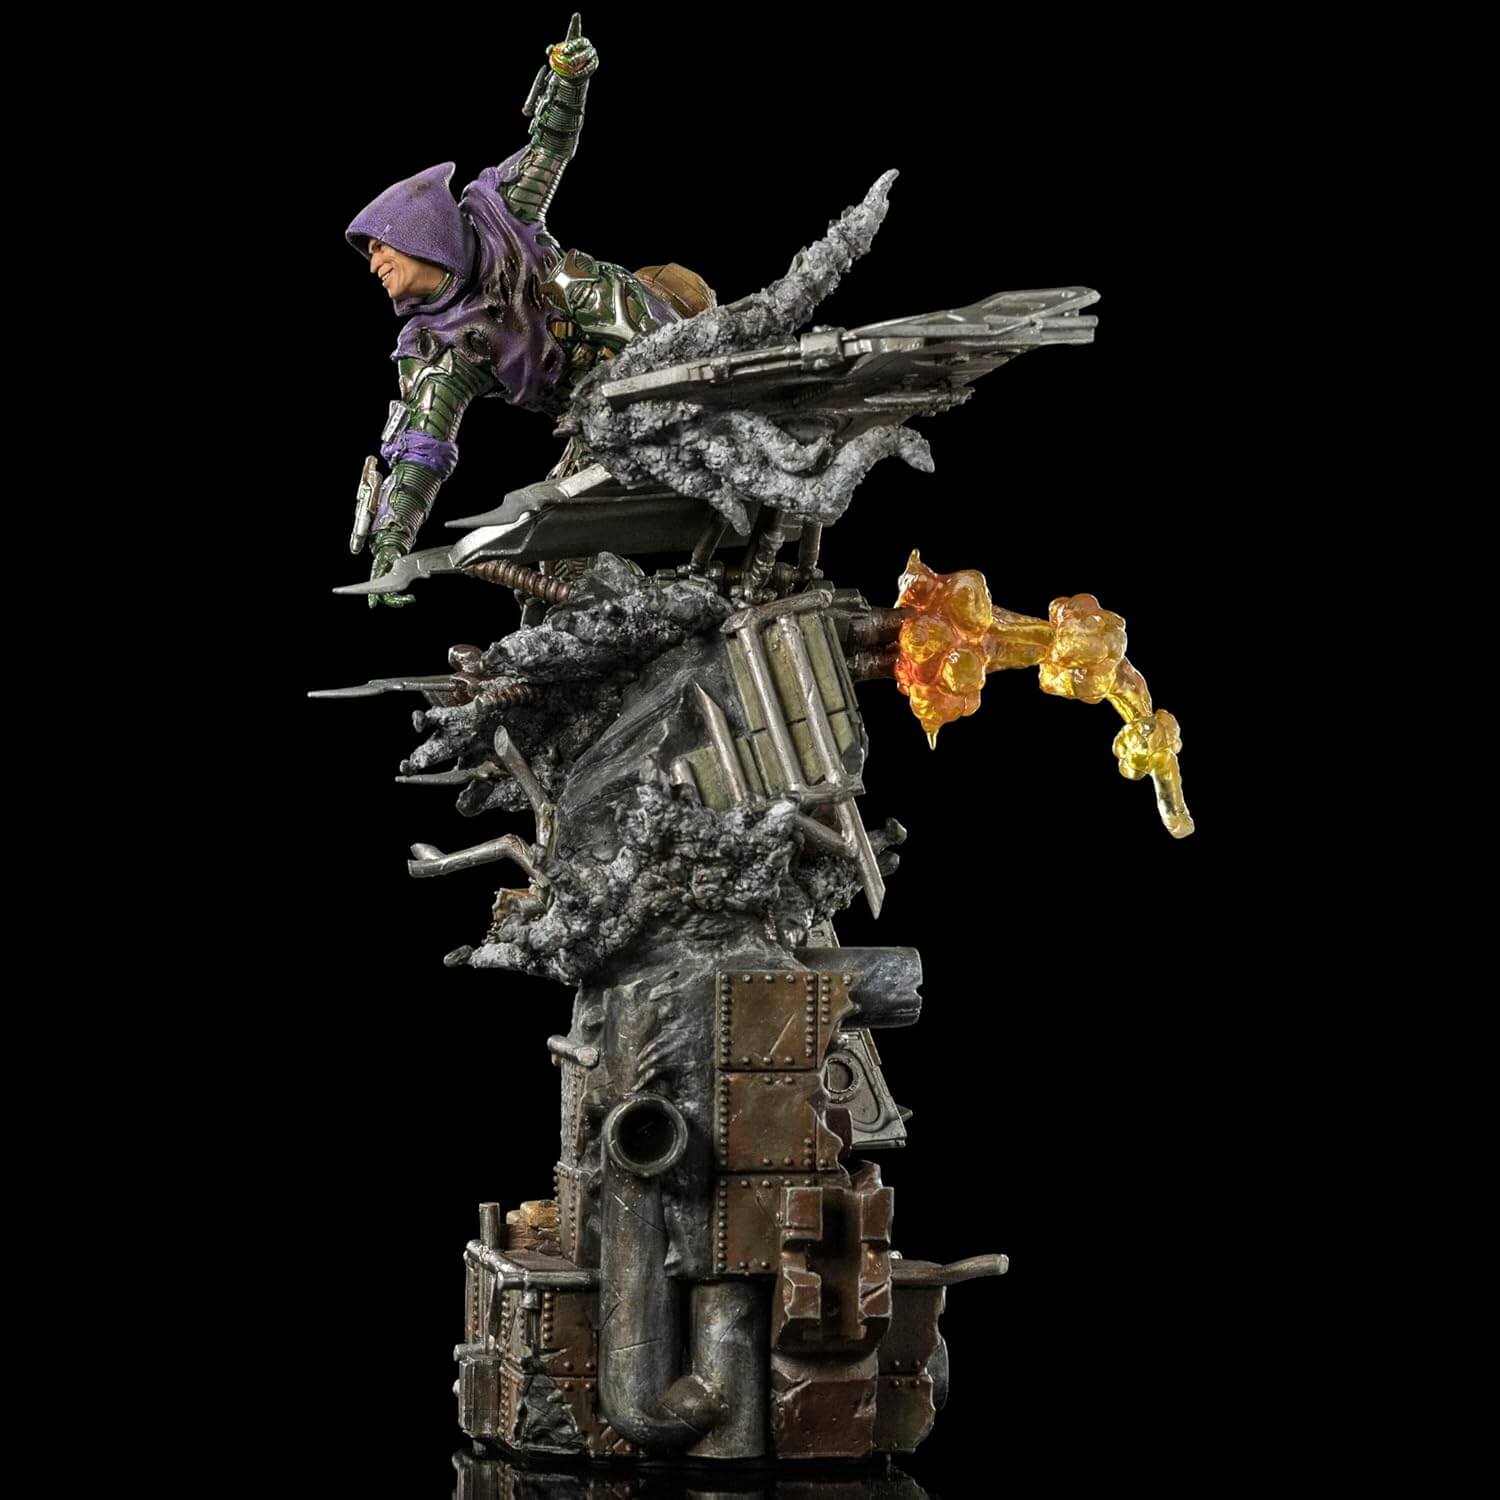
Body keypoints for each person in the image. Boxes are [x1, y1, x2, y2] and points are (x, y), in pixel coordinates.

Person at [344, 17, 714, 606]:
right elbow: (422, 444)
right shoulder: (439, 347)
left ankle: (690, 367)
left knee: (575, 285)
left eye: (380, 248)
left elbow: (550, 146)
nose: (374, 264)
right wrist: (393, 537)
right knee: (556, 559)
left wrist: (568, 80)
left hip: (649, 342)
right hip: (596, 415)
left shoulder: (501, 215)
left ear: (416, 230)